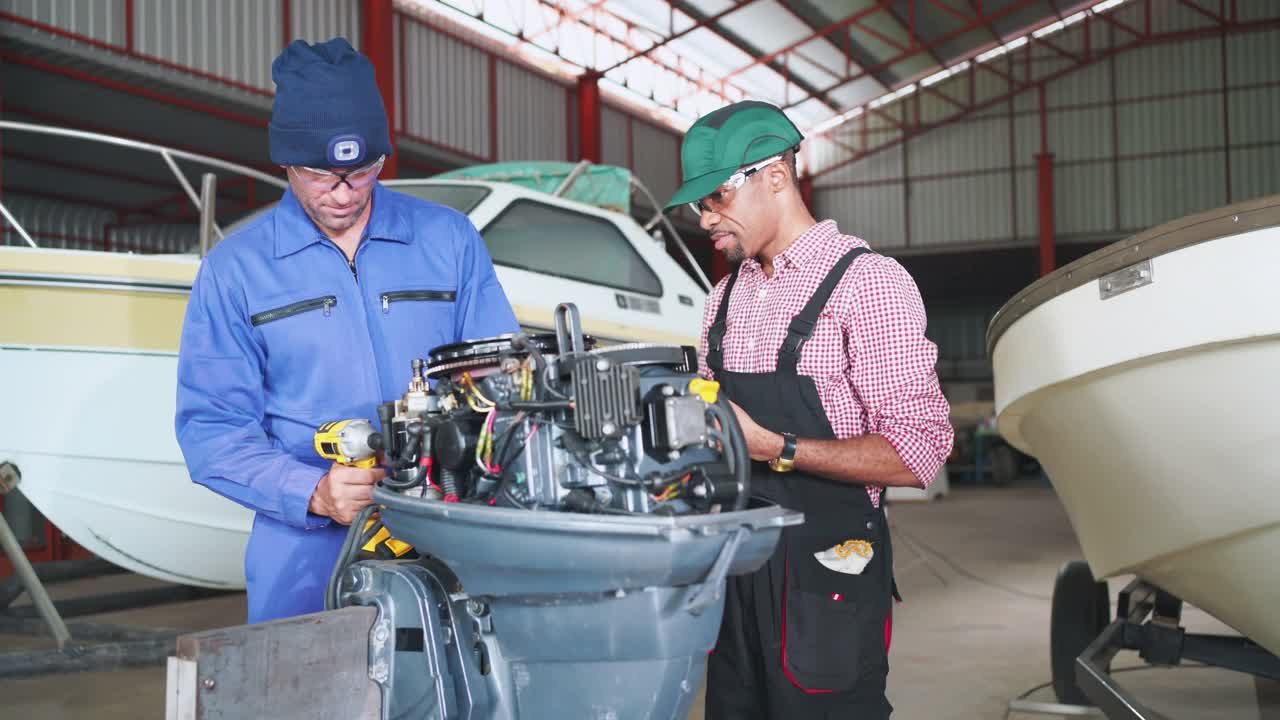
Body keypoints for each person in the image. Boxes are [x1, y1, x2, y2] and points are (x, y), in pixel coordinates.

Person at [175, 37, 519, 623]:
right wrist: (309, 493)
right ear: (284, 160)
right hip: (305, 555)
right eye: (320, 174)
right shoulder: (236, 271)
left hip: (450, 535)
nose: (343, 192)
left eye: (362, 171)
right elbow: (211, 429)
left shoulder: (449, 240)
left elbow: (501, 383)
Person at [666, 100, 954, 718]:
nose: (706, 219)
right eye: (698, 206)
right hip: (735, 574)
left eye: (715, 198)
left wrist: (779, 447)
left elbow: (920, 449)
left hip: (829, 575)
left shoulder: (868, 284)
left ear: (774, 176)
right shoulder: (723, 299)